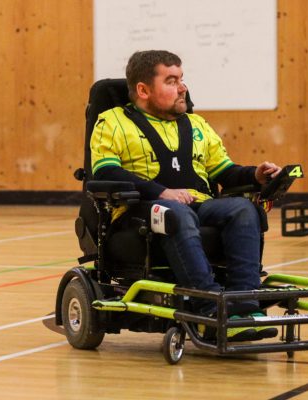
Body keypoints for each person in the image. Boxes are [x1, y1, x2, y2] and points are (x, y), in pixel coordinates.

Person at [90, 50, 280, 341]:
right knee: (174, 212)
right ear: (143, 90)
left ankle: (243, 308)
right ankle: (209, 309)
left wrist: (255, 175)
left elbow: (224, 171)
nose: (183, 88)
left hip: (198, 205)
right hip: (138, 212)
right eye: (171, 81)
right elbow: (104, 174)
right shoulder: (112, 122)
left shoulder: (197, 125)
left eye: (182, 79)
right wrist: (161, 191)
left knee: (243, 209)